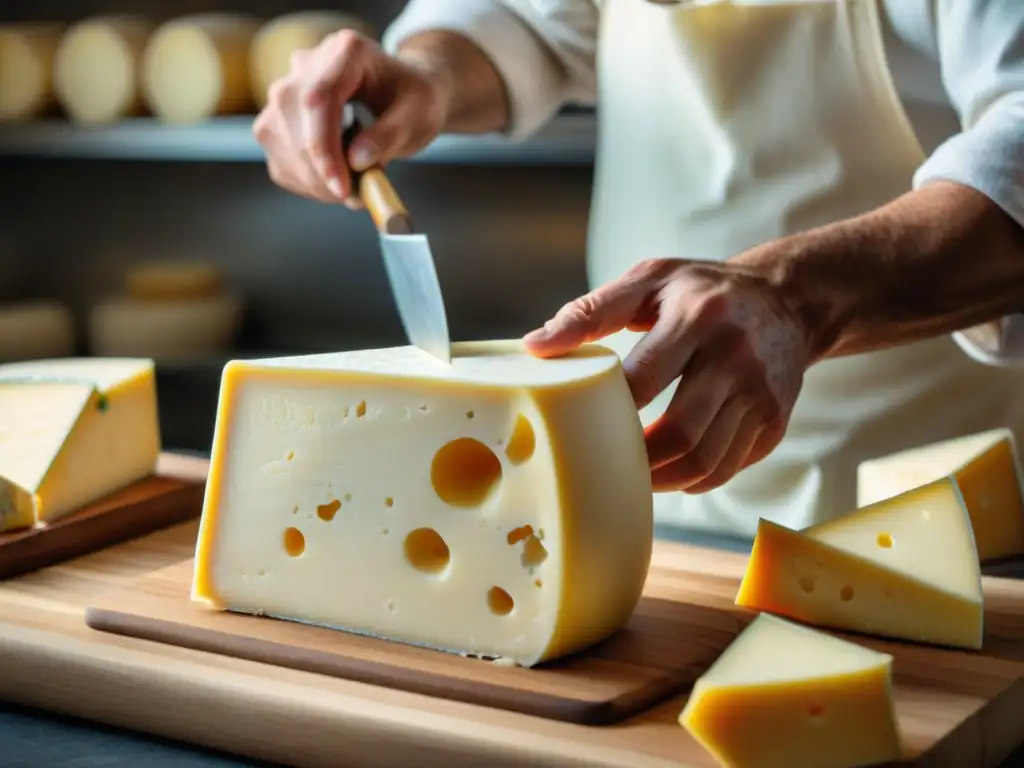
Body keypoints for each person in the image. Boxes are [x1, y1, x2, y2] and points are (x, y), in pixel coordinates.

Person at [253, 0, 1024, 539]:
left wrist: (793, 301)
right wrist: (426, 75)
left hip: (923, 533)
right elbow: (527, 19)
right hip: (661, 516)